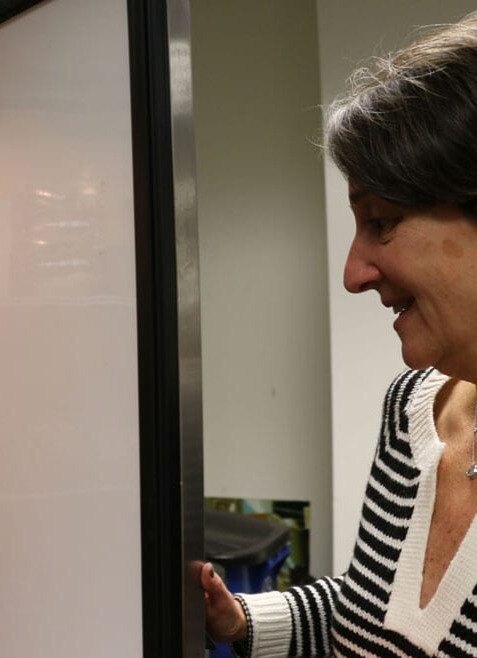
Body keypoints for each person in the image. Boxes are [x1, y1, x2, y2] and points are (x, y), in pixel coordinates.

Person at [200, 11, 477, 657]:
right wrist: (236, 619)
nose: (353, 274)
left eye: (381, 222)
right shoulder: (416, 408)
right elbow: (373, 605)